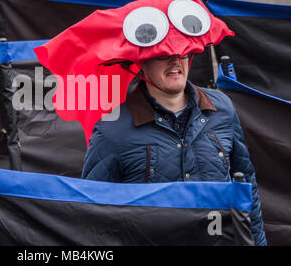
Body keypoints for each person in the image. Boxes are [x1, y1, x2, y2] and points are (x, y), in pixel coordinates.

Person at [81, 52, 267, 246]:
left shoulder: (222, 108)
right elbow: (93, 218)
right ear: (141, 62)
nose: (176, 61)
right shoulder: (112, 131)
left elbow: (247, 187)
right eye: (163, 54)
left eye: (183, 52)